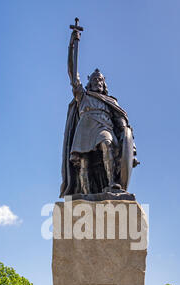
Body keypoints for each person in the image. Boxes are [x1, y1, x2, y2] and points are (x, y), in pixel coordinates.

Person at [60, 24, 139, 197]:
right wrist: (72, 45)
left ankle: (112, 184)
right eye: (95, 80)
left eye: (100, 80)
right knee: (83, 162)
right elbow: (73, 75)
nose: (98, 82)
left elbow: (121, 123)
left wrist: (129, 143)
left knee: (107, 144)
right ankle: (85, 194)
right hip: (84, 128)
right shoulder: (83, 95)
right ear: (90, 83)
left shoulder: (110, 101)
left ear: (104, 84)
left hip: (104, 127)